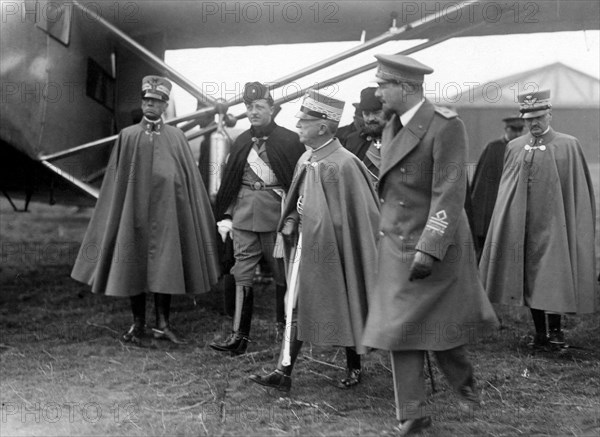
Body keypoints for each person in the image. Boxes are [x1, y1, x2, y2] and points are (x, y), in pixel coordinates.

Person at [361, 54, 498, 436]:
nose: (377, 92)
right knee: (397, 328)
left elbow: (449, 192)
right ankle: (414, 413)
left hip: (433, 242)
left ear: (405, 88)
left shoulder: (445, 126)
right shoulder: (391, 126)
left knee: (436, 326)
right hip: (395, 243)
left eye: (383, 84)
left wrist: (430, 245)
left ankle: (462, 377)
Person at [71, 76, 220, 345]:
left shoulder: (176, 137)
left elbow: (186, 179)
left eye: (157, 101)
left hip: (168, 215)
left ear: (165, 106)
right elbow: (116, 183)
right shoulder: (127, 137)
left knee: (166, 267)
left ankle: (163, 324)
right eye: (147, 100)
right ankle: (137, 323)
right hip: (133, 212)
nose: (150, 105)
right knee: (133, 266)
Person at [248, 89, 380, 392]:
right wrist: (293, 220)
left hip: (339, 247)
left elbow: (360, 215)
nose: (298, 126)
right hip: (307, 245)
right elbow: (299, 199)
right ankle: (284, 371)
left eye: (304, 121)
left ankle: (354, 365)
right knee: (296, 302)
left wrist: (330, 230)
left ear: (322, 127)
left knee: (346, 298)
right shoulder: (307, 158)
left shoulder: (345, 164)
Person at [480, 89, 597, 349]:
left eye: (539, 117)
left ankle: (556, 332)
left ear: (550, 114)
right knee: (529, 277)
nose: (534, 123)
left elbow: (576, 191)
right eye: (529, 118)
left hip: (556, 225)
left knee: (552, 276)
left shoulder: (568, 145)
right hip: (525, 226)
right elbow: (506, 190)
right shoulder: (514, 147)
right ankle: (540, 333)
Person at [209, 82, 305, 355]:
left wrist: (294, 217)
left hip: (277, 218)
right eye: (249, 107)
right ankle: (239, 335)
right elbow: (230, 182)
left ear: (272, 110)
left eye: (259, 107)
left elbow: (298, 184)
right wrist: (227, 215)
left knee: (282, 275)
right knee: (242, 274)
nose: (253, 112)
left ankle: (284, 329)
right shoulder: (240, 141)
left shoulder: (289, 141)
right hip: (244, 217)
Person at [469, 115, 524, 258]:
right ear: (506, 129)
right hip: (493, 207)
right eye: (514, 129)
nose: (517, 134)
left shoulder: (525, 149)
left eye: (521, 130)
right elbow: (482, 186)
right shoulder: (493, 148)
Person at [344, 87, 387, 185]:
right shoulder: (353, 141)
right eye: (366, 114)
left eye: (376, 113)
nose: (371, 118)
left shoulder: (402, 138)